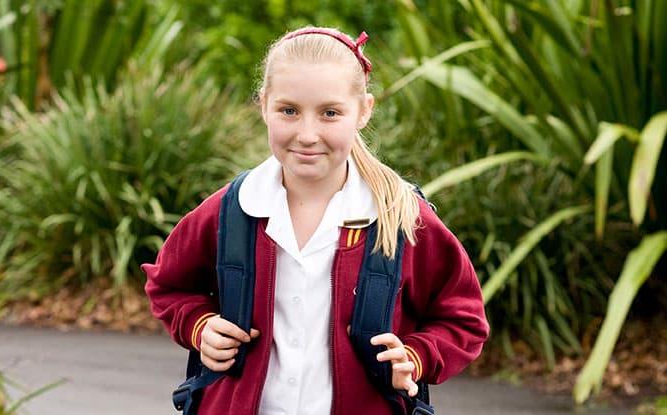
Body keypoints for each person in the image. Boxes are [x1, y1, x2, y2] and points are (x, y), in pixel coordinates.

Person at [142, 26, 489, 414]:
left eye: (330, 113)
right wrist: (200, 327)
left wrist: (416, 357)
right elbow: (169, 285)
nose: (308, 134)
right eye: (289, 111)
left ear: (363, 111)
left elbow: (463, 318)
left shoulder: (402, 217)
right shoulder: (231, 210)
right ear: (263, 106)